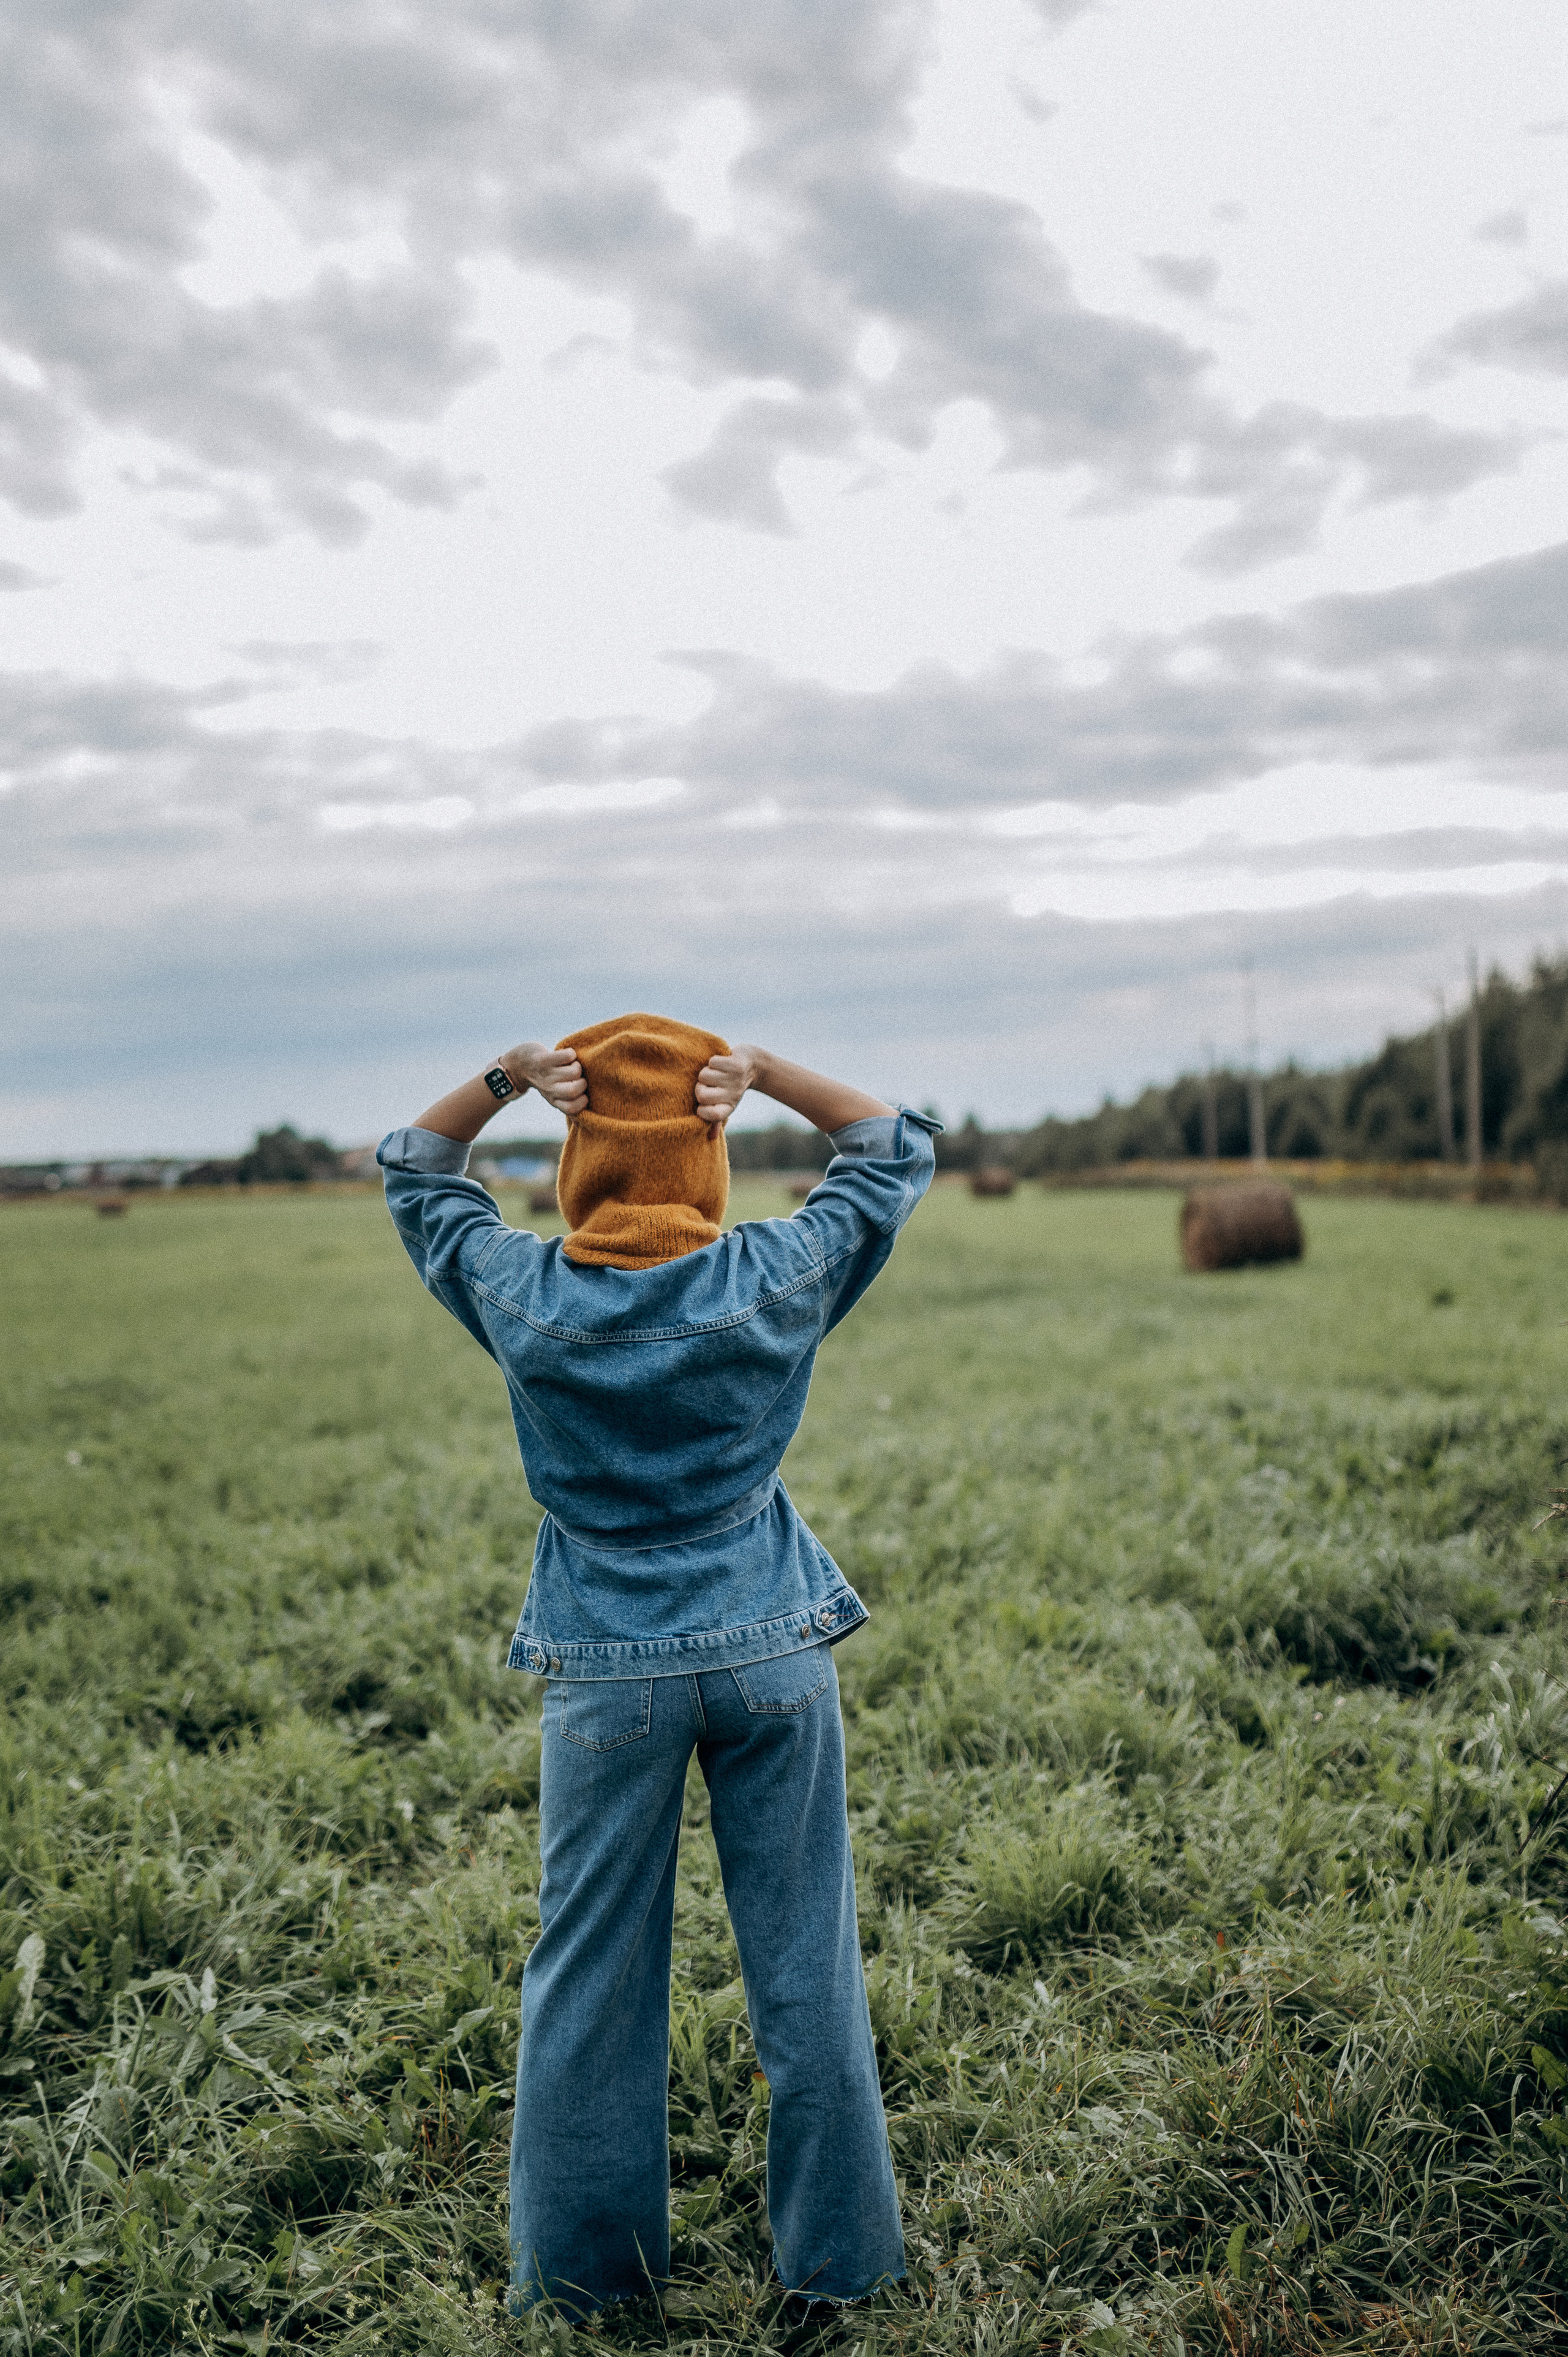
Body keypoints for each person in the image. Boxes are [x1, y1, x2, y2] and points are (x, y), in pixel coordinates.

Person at [377, 1013, 940, 2321]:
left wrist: (510, 1077)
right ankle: (840, 2278)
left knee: (588, 1976)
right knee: (806, 1965)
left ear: (576, 1156)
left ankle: (584, 2295)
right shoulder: (773, 1272)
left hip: (606, 1680)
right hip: (772, 1656)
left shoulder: (527, 1295)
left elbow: (413, 1166)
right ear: (706, 1151)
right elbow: (891, 1147)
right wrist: (762, 1075)